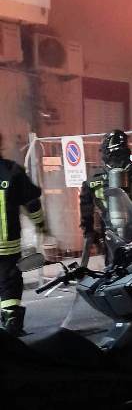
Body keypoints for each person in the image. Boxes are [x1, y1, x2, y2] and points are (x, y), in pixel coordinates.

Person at [79, 130, 132, 259]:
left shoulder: (93, 178)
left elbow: (86, 210)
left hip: (110, 237)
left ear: (105, 151)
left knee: (114, 268)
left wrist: (89, 232)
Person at [0, 135, 50, 336]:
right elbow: (32, 203)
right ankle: (11, 325)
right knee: (9, 284)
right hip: (6, 246)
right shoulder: (11, 171)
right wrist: (41, 226)